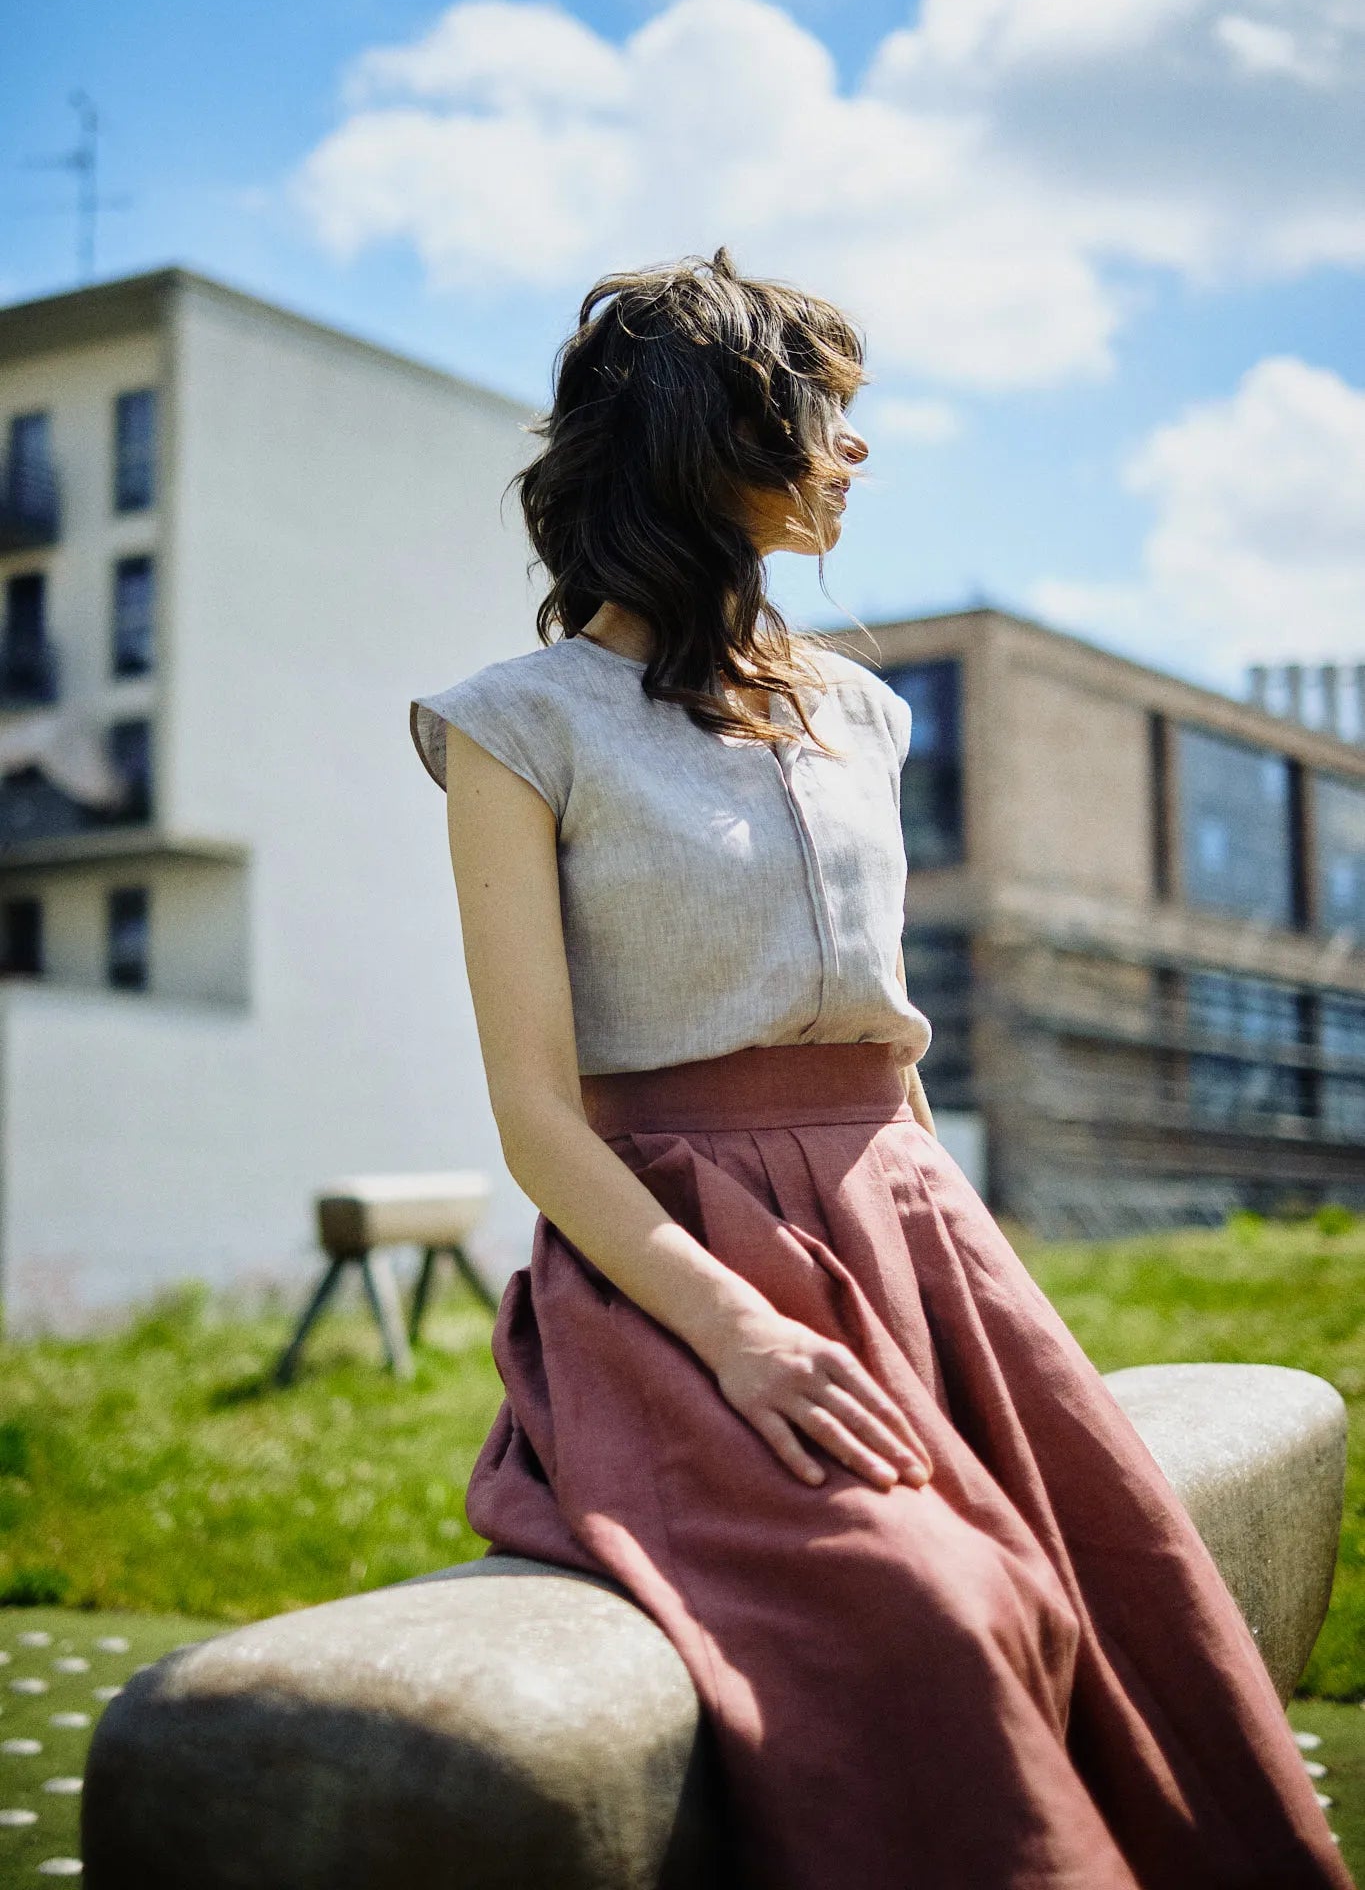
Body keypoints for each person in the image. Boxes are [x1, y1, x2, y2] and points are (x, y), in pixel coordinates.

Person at [410, 248, 1348, 1890]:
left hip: (914, 1231)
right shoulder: (512, 724)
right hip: (688, 1269)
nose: (853, 453)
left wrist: (976, 1295)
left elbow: (883, 1044)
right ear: (713, 440)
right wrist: (737, 1329)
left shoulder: (864, 712)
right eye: (821, 417)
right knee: (936, 1602)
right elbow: (537, 1120)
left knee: (1128, 1575)